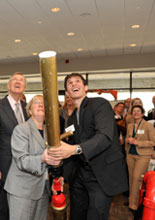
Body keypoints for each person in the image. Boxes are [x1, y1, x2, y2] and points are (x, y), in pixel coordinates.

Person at [48, 73, 128, 220]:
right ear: (67, 93)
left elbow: (104, 137)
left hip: (102, 174)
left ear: (86, 87)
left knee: (96, 215)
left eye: (77, 81)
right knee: (77, 214)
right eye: (70, 83)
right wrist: (59, 178)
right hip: (80, 174)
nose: (74, 84)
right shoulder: (71, 119)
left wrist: (75, 149)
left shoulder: (99, 104)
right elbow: (69, 148)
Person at [4, 95, 61, 220]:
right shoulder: (21, 129)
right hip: (22, 190)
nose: (41, 104)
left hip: (43, 190)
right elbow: (21, 160)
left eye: (43, 103)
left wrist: (55, 179)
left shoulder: (49, 132)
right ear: (29, 111)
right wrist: (42, 158)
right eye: (36, 102)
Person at [0, 72, 28, 220]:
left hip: (25, 164)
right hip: (5, 164)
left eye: (21, 80)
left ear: (24, 87)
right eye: (15, 79)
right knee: (4, 205)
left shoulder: (27, 107)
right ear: (8, 85)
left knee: (21, 203)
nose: (18, 82)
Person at [125, 105, 155, 212]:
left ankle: (134, 205)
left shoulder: (148, 125)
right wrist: (127, 143)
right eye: (134, 111)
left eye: (138, 111)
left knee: (137, 178)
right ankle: (132, 201)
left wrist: (137, 142)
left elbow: (154, 142)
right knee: (131, 179)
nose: (136, 113)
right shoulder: (130, 125)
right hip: (130, 155)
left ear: (142, 114)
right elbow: (127, 138)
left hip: (143, 155)